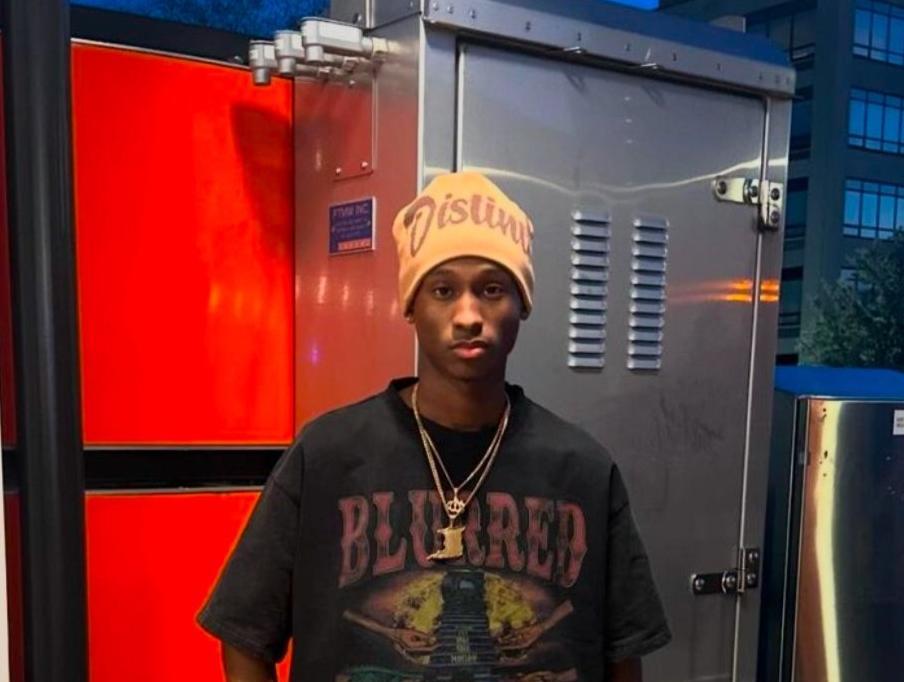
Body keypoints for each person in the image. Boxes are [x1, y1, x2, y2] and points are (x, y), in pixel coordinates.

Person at [198, 172, 671, 682]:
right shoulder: (327, 455)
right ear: (412, 306)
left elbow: (624, 655)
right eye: (443, 290)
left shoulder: (584, 470)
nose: (468, 315)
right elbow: (244, 633)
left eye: (492, 289)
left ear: (522, 304)